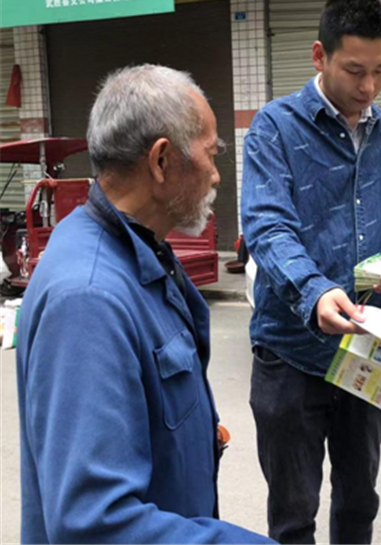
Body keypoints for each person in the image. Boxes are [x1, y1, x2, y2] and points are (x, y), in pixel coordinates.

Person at [16, 65, 274, 544]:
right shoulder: (88, 298)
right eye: (211, 153)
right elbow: (94, 522)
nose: (217, 174)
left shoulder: (137, 249)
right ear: (161, 161)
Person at [241, 0, 381, 544]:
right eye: (355, 70)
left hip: (369, 347)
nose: (369, 86)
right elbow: (267, 227)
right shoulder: (275, 128)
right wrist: (314, 291)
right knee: (294, 512)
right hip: (292, 352)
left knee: (360, 500)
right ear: (320, 56)